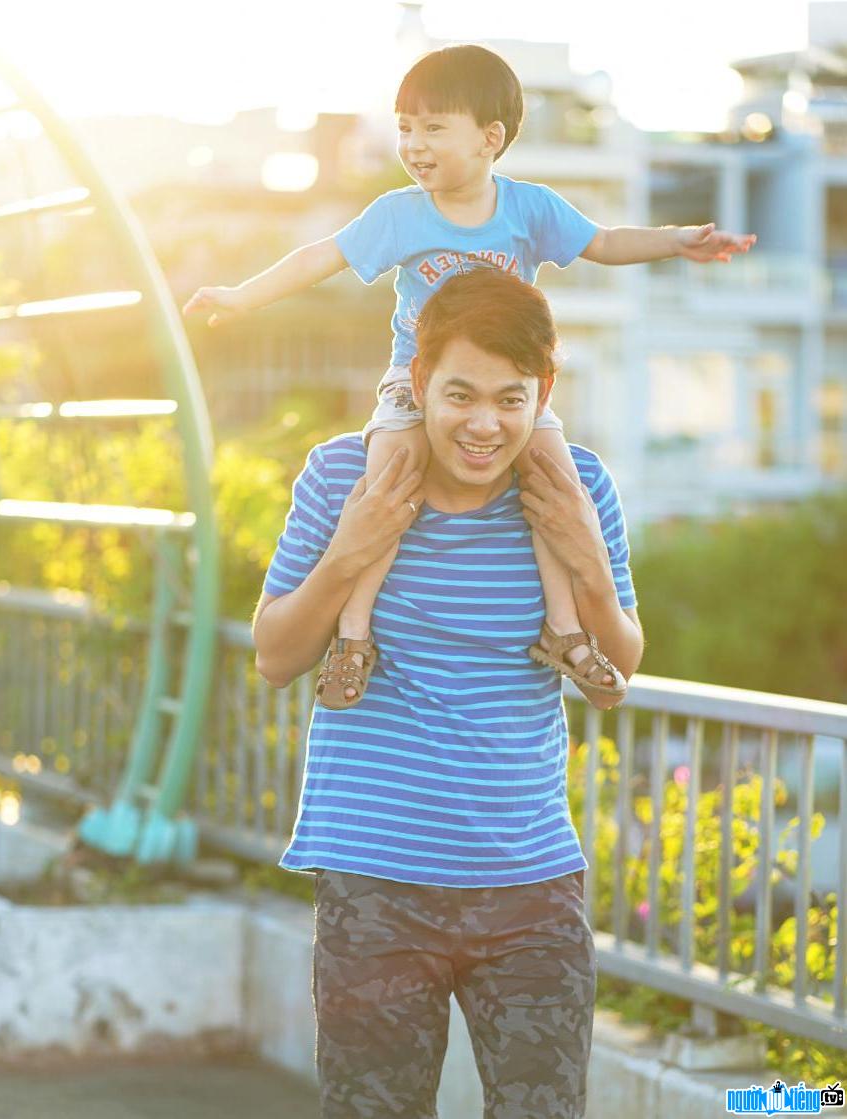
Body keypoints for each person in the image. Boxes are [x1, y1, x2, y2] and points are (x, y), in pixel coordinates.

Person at [188, 43, 746, 710]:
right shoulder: (399, 215)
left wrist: (676, 240)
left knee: (558, 488)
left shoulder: (529, 209)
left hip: (503, 383)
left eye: (432, 128)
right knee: (386, 483)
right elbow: (321, 256)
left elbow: (602, 242)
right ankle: (355, 636)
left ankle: (565, 631)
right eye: (404, 128)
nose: (413, 145)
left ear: (491, 139)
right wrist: (241, 296)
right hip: (412, 382)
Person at [251, 268, 643, 1118]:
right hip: (374, 881)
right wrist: (351, 551)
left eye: (511, 399)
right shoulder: (340, 476)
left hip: (532, 884)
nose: (483, 424)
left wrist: (590, 567)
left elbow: (622, 662)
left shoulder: (577, 486)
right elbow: (276, 656)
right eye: (460, 393)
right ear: (419, 382)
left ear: (543, 392)